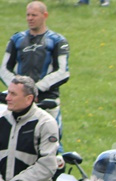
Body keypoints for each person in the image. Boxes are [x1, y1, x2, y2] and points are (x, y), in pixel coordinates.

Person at [1, 3, 69, 135]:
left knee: (51, 139)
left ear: (45, 15)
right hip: (20, 100)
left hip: (47, 100)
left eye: (34, 15)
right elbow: (4, 69)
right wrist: (20, 90)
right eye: (28, 15)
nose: (30, 18)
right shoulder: (16, 39)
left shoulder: (58, 40)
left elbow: (62, 72)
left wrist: (35, 89)